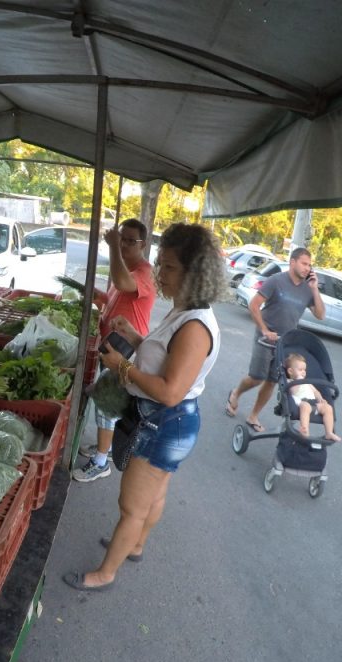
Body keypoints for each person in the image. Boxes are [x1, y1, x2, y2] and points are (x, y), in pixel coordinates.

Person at [62, 223, 226, 591]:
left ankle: (105, 573)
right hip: (170, 421)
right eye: (161, 263)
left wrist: (120, 365)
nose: (159, 273)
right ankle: (135, 545)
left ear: (193, 274)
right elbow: (165, 360)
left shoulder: (195, 327)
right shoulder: (186, 313)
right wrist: (136, 338)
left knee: (131, 506)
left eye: (168, 267)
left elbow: (169, 390)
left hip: (165, 421)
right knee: (155, 492)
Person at [73, 218, 156, 483]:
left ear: (144, 244)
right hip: (112, 342)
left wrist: (110, 246)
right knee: (105, 401)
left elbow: (121, 283)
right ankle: (103, 448)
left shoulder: (143, 272)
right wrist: (98, 296)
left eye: (130, 241)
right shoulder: (128, 270)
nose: (124, 245)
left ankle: (100, 462)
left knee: (107, 404)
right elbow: (114, 297)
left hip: (126, 349)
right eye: (122, 239)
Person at [225, 247, 325, 432]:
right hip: (266, 336)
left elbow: (320, 314)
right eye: (304, 263)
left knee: (271, 381)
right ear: (292, 262)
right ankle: (236, 393)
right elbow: (254, 305)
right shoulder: (276, 281)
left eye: (309, 265)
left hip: (285, 341)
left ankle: (253, 415)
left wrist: (314, 289)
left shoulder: (307, 289)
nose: (307, 268)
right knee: (257, 377)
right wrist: (264, 330)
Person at [283, 353, 340, 441]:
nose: (303, 372)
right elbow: (293, 391)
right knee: (305, 406)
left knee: (328, 408)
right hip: (300, 403)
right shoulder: (290, 381)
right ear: (290, 371)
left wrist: (320, 398)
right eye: (300, 369)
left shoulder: (307, 382)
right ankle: (305, 430)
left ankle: (329, 433)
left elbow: (315, 391)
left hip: (314, 403)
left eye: (304, 370)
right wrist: (298, 381)